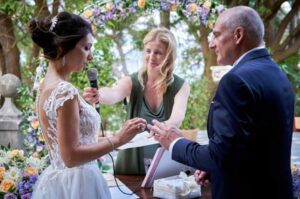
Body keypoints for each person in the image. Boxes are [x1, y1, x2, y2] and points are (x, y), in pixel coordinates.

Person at [148, 6, 294, 199]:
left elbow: (220, 157)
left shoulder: (235, 81)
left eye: (216, 35)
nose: (211, 44)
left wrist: (175, 142)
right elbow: (256, 145)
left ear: (238, 35)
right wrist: (215, 169)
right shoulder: (277, 74)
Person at [29, 12, 147, 199]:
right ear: (61, 47)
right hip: (79, 184)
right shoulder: (64, 91)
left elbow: (73, 144)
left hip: (59, 182)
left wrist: (123, 137)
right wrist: (117, 140)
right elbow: (70, 157)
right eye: (86, 48)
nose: (90, 56)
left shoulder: (45, 85)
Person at [83, 27, 190, 175]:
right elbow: (113, 93)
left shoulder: (181, 85)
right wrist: (98, 94)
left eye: (158, 53)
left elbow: (177, 117)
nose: (151, 57)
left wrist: (158, 130)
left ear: (169, 56)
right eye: (148, 51)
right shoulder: (132, 81)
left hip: (164, 160)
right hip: (130, 160)